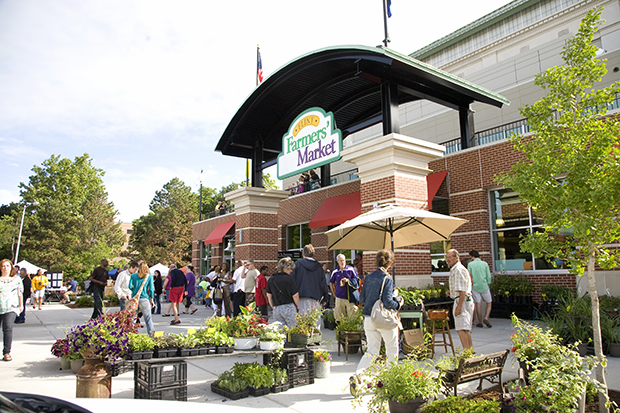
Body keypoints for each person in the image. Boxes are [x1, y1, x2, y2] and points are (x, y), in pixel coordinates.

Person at [350, 249, 402, 397]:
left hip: (369, 318)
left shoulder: (369, 277)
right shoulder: (387, 279)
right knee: (392, 351)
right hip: (383, 319)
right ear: (390, 263)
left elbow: (362, 299)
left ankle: (358, 376)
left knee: (372, 351)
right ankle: (390, 383)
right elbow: (387, 302)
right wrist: (398, 303)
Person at [292, 244, 329, 328]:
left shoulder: (297, 264)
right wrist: (325, 298)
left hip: (300, 298)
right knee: (315, 323)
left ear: (303, 254)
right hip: (315, 298)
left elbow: (292, 281)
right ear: (313, 254)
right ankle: (315, 339)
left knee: (301, 323)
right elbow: (323, 283)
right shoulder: (319, 266)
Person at [446, 249, 474, 350]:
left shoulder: (458, 269)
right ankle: (470, 351)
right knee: (465, 328)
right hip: (463, 299)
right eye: (447, 257)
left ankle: (467, 352)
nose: (447, 260)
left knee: (461, 328)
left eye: (450, 257)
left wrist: (459, 306)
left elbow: (462, 290)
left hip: (462, 301)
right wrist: (452, 292)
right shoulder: (457, 269)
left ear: (456, 258)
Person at [0, 259, 23, 361]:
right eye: (3, 266)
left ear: (11, 267)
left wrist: (21, 305)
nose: (5, 268)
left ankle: (6, 352)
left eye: (7, 266)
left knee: (7, 327)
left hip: (11, 307)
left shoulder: (16, 279)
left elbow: (20, 293)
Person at [266, 257, 299, 329]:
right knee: (293, 330)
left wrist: (273, 306)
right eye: (290, 269)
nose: (291, 271)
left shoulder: (271, 279)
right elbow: (295, 295)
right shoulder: (290, 279)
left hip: (277, 308)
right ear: (285, 268)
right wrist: (297, 305)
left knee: (280, 331)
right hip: (289, 307)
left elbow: (269, 295)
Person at [330, 254, 360, 322]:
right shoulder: (335, 271)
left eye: (343, 260)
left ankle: (351, 331)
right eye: (341, 261)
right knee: (340, 318)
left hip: (349, 297)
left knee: (352, 317)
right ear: (337, 261)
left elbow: (357, 281)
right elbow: (331, 282)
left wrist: (348, 281)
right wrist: (334, 294)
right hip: (339, 297)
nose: (342, 262)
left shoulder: (351, 269)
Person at [128, 262, 156, 334]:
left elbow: (130, 286)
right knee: (148, 319)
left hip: (135, 299)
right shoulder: (149, 277)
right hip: (144, 298)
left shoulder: (133, 276)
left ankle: (132, 334)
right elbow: (151, 289)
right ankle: (152, 334)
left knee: (133, 318)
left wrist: (134, 291)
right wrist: (152, 298)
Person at [468, 250, 493, 328]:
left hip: (475, 286)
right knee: (489, 302)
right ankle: (486, 317)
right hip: (484, 285)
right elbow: (488, 275)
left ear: (472, 256)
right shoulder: (485, 264)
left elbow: (469, 275)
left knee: (478, 304)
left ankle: (480, 321)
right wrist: (488, 282)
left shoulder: (470, 264)